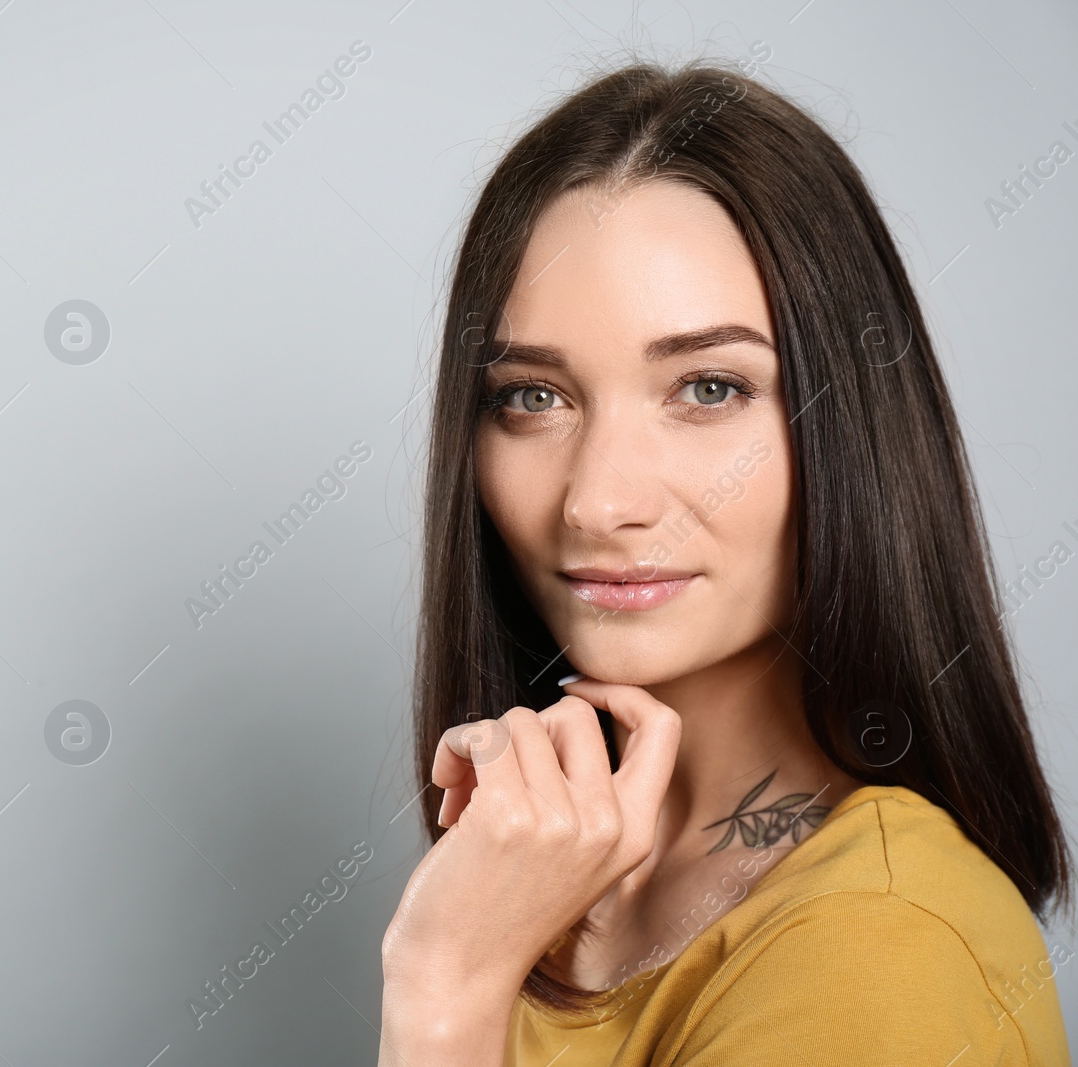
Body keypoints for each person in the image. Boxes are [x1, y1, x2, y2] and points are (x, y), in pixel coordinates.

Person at [377, 60, 1072, 1065]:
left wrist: (442, 993)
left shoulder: (872, 942)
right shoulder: (539, 877)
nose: (600, 500)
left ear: (852, 425)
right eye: (532, 395)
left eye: (707, 387)